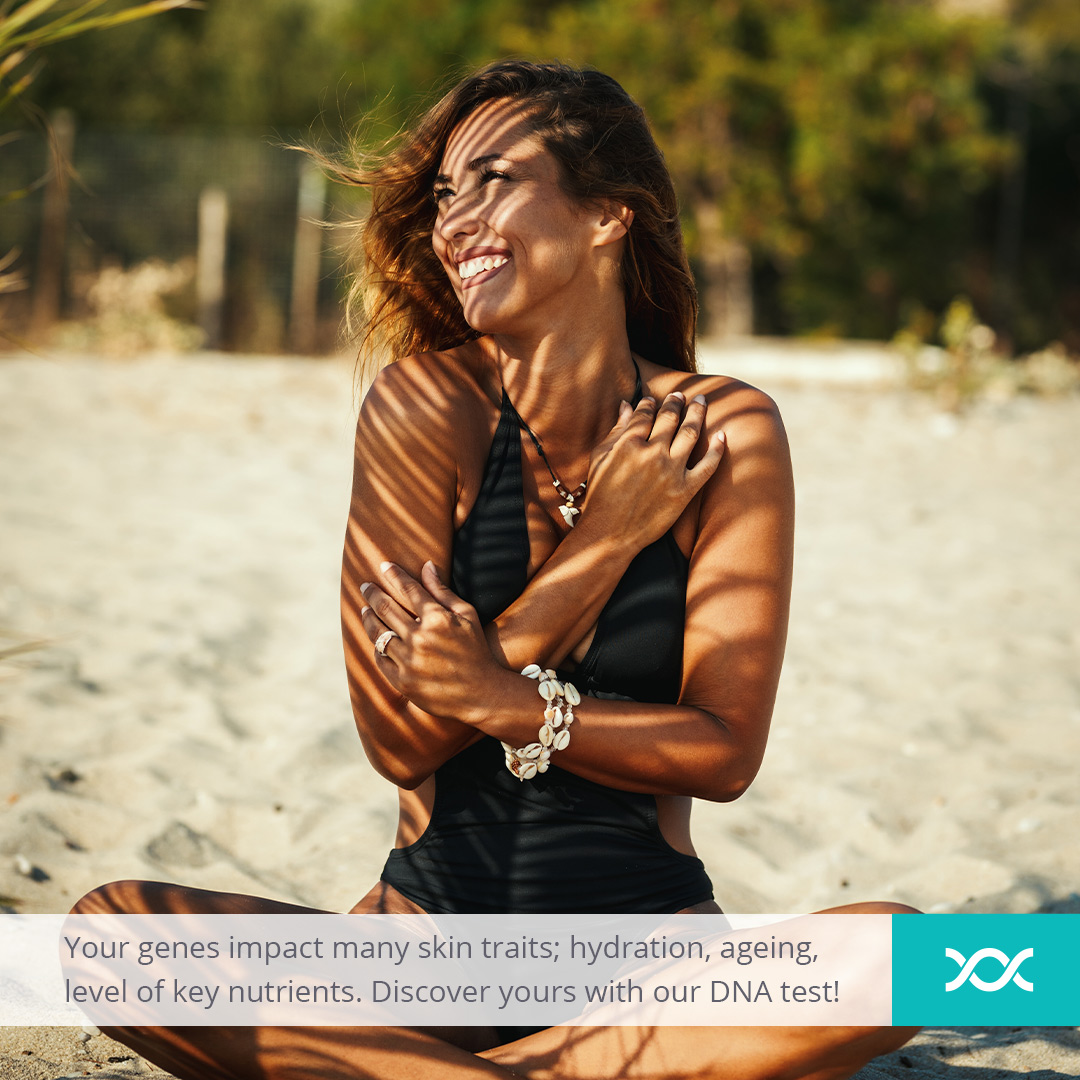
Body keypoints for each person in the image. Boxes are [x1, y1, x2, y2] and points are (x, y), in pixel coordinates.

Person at [74, 59, 918, 1079]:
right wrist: (605, 541)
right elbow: (399, 737)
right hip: (419, 959)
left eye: (495, 181)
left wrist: (505, 700)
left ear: (608, 215)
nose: (453, 221)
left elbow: (725, 753)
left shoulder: (722, 429)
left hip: (653, 969)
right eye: (442, 196)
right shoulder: (425, 408)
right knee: (107, 939)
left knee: (912, 956)